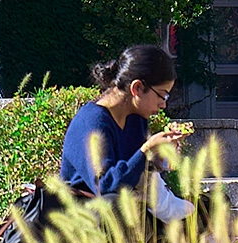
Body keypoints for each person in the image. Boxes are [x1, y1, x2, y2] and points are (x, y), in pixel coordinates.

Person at [62, 43, 189, 198]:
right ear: (137, 88)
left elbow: (136, 174)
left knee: (209, 204)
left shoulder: (137, 117)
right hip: (86, 210)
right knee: (115, 203)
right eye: (162, 95)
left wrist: (160, 156)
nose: (163, 104)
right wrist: (146, 149)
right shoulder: (92, 122)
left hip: (129, 205)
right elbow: (107, 186)